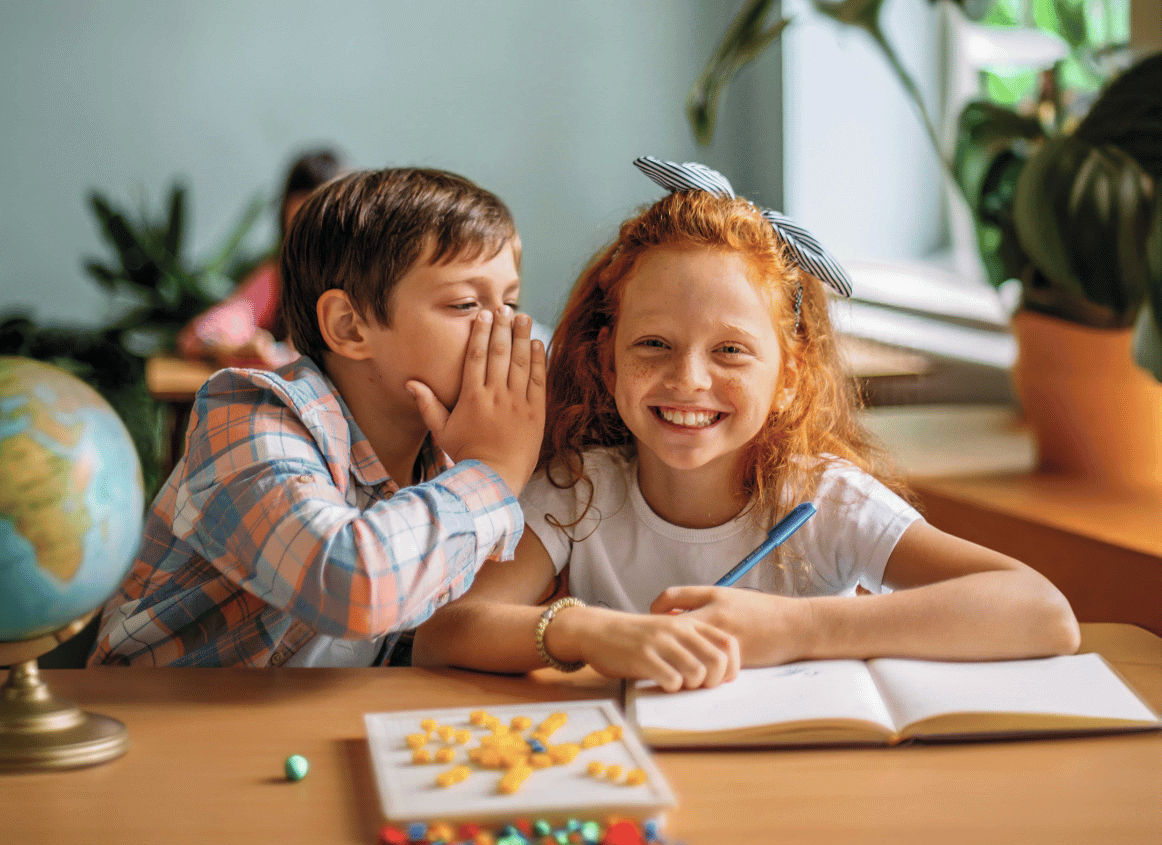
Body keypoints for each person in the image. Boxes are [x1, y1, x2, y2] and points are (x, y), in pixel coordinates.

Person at [412, 157, 1079, 692]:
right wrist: (585, 633)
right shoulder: (579, 491)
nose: (689, 380)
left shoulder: (822, 500)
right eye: (653, 346)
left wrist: (799, 628)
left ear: (789, 376)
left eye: (730, 350)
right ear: (606, 362)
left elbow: (1040, 611)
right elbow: (445, 634)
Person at [91, 167, 545, 667]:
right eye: (465, 303)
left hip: (309, 727)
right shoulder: (250, 418)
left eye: (510, 302)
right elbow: (352, 585)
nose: (506, 329)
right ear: (350, 327)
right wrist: (491, 472)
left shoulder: (442, 451)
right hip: (159, 725)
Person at [176, 148, 344, 368]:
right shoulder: (277, 278)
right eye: (298, 230)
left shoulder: (362, 282)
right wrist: (235, 348)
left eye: (319, 229)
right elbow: (203, 334)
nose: (308, 244)